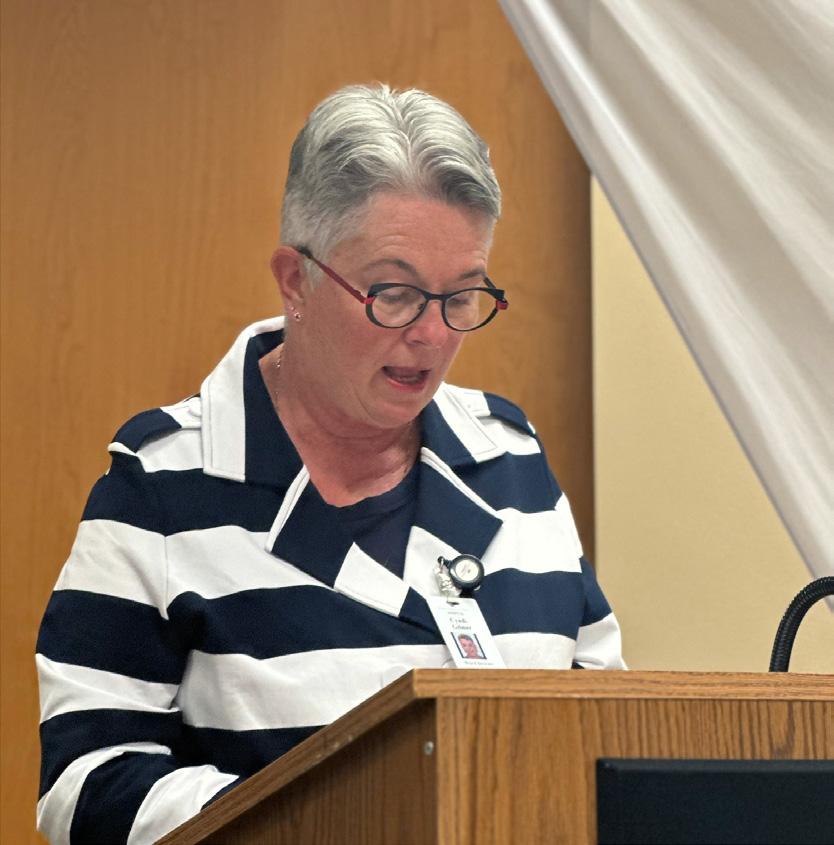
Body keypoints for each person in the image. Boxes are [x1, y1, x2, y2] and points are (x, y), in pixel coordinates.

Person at [36, 83, 624, 844]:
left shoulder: (511, 459)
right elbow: (84, 782)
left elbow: (605, 726)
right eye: (395, 294)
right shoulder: (162, 489)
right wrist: (326, 820)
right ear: (296, 280)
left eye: (462, 297)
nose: (433, 335)